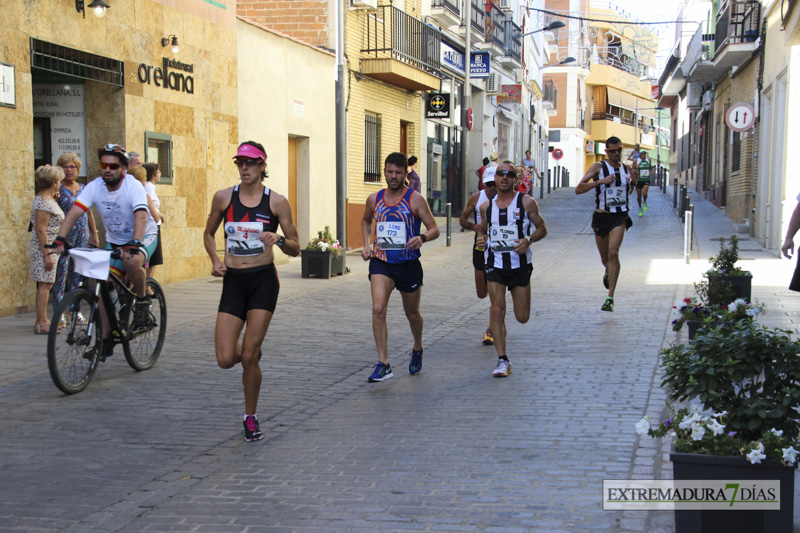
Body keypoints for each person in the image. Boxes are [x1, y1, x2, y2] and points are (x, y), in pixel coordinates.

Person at [203, 141, 300, 442]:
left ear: (262, 166)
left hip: (263, 282)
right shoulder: (223, 198)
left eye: (250, 163)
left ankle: (250, 417)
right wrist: (216, 260)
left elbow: (297, 247)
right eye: (240, 163)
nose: (244, 168)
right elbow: (207, 233)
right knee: (225, 358)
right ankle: (251, 354)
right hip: (233, 281)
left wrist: (279, 239)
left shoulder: (277, 202)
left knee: (247, 355)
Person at [53, 144, 159, 356]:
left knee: (131, 261)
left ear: (123, 169)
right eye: (104, 165)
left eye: (113, 165)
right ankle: (105, 341)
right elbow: (74, 213)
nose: (108, 169)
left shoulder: (133, 187)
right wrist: (60, 239)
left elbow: (140, 215)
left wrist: (135, 243)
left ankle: (141, 301)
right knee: (103, 286)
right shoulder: (95, 186)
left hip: (143, 235)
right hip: (115, 240)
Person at [361, 152, 440, 382]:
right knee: (378, 309)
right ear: (384, 171)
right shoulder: (374, 199)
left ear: (406, 173)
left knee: (412, 314)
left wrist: (422, 238)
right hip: (381, 262)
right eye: (389, 172)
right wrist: (366, 244)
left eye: (398, 172)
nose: (393, 176)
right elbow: (366, 220)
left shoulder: (415, 199)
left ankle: (417, 347)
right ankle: (383, 363)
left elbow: (434, 228)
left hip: (408, 264)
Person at [475, 161, 547, 377]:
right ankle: (502, 359)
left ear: (515, 179)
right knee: (497, 310)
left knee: (522, 316)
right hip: (494, 264)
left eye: (509, 174)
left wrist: (529, 239)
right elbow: (484, 232)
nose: (504, 178)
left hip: (519, 266)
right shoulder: (486, 207)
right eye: (500, 174)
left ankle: (503, 352)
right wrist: (481, 240)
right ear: (494, 178)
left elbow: (543, 228)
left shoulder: (527, 202)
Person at [575, 136, 638, 312]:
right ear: (607, 152)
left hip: (620, 217)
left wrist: (633, 181)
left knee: (613, 252)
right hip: (602, 217)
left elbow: (627, 193)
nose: (617, 153)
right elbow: (578, 189)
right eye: (613, 151)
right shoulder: (599, 167)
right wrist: (600, 181)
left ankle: (610, 298)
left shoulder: (626, 169)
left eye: (619, 150)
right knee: (605, 258)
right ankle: (608, 271)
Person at [53, 153, 99, 328]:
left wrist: (94, 233)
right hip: (65, 237)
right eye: (65, 166)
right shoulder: (58, 189)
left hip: (82, 235)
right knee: (61, 274)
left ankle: (75, 309)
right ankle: (60, 311)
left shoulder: (82, 187)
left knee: (77, 273)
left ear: (78, 169)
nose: (69, 170)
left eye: (72, 167)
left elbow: (88, 212)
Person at [459, 171, 498, 345]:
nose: (492, 188)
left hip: (499, 247)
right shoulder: (476, 198)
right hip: (480, 244)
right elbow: (462, 220)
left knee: (495, 292)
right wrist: (473, 227)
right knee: (482, 293)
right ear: (483, 184)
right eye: (488, 184)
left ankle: (492, 327)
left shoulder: (509, 199)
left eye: (494, 184)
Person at [30, 165, 65, 334]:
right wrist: (47, 255)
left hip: (50, 247)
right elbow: (40, 229)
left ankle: (43, 319)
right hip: (45, 247)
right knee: (44, 284)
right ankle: (41, 322)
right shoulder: (44, 202)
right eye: (58, 181)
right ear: (53, 183)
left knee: (47, 283)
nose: (60, 184)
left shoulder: (46, 199)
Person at [143, 163, 165, 284]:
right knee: (153, 258)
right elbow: (149, 206)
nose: (160, 174)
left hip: (154, 224)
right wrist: (160, 215)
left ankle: (149, 285)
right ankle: (147, 285)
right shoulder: (149, 187)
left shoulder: (151, 187)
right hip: (151, 226)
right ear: (153, 175)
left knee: (155, 258)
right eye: (158, 172)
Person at [633, 149, 652, 216]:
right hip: (639, 180)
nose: (643, 155)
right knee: (639, 196)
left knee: (644, 193)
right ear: (640, 154)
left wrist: (650, 172)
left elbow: (650, 168)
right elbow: (633, 169)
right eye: (642, 153)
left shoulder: (648, 160)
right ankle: (640, 208)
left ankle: (645, 201)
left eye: (644, 153)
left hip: (646, 179)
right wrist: (636, 169)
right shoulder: (637, 161)